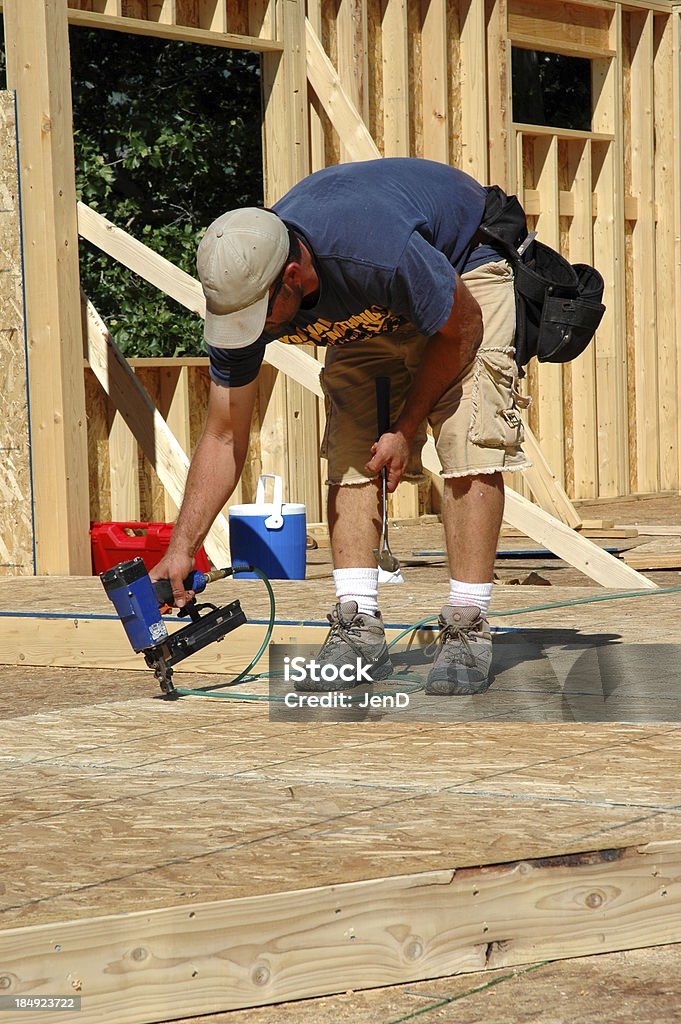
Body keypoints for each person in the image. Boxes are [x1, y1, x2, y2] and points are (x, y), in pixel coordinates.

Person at [151, 158, 530, 696]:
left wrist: (405, 427)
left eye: (260, 318)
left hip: (460, 271)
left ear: (292, 278)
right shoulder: (243, 290)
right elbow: (223, 433)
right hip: (366, 310)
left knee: (468, 437)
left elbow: (462, 328)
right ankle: (358, 628)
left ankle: (467, 625)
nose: (252, 333)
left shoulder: (376, 249)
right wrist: (181, 545)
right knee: (352, 448)